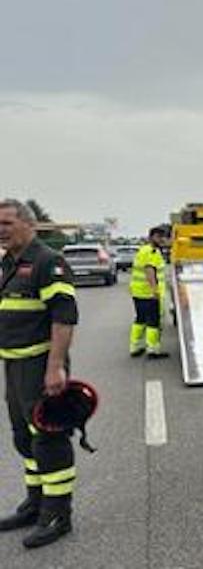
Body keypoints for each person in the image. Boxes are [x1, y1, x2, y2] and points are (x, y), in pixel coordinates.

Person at [0, 199, 78, 548]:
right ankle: (36, 503)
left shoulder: (48, 261)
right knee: (24, 438)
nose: (0, 229)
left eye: (6, 223)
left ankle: (58, 514)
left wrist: (55, 367)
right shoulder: (8, 263)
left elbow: (63, 318)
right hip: (14, 366)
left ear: (28, 225)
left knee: (49, 439)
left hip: (40, 366)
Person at [129, 225, 170, 359]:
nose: (163, 240)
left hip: (138, 292)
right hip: (148, 293)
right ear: (153, 237)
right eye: (160, 237)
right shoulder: (151, 251)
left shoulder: (144, 250)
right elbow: (149, 270)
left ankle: (134, 347)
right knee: (153, 321)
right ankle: (152, 350)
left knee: (140, 319)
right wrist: (155, 290)